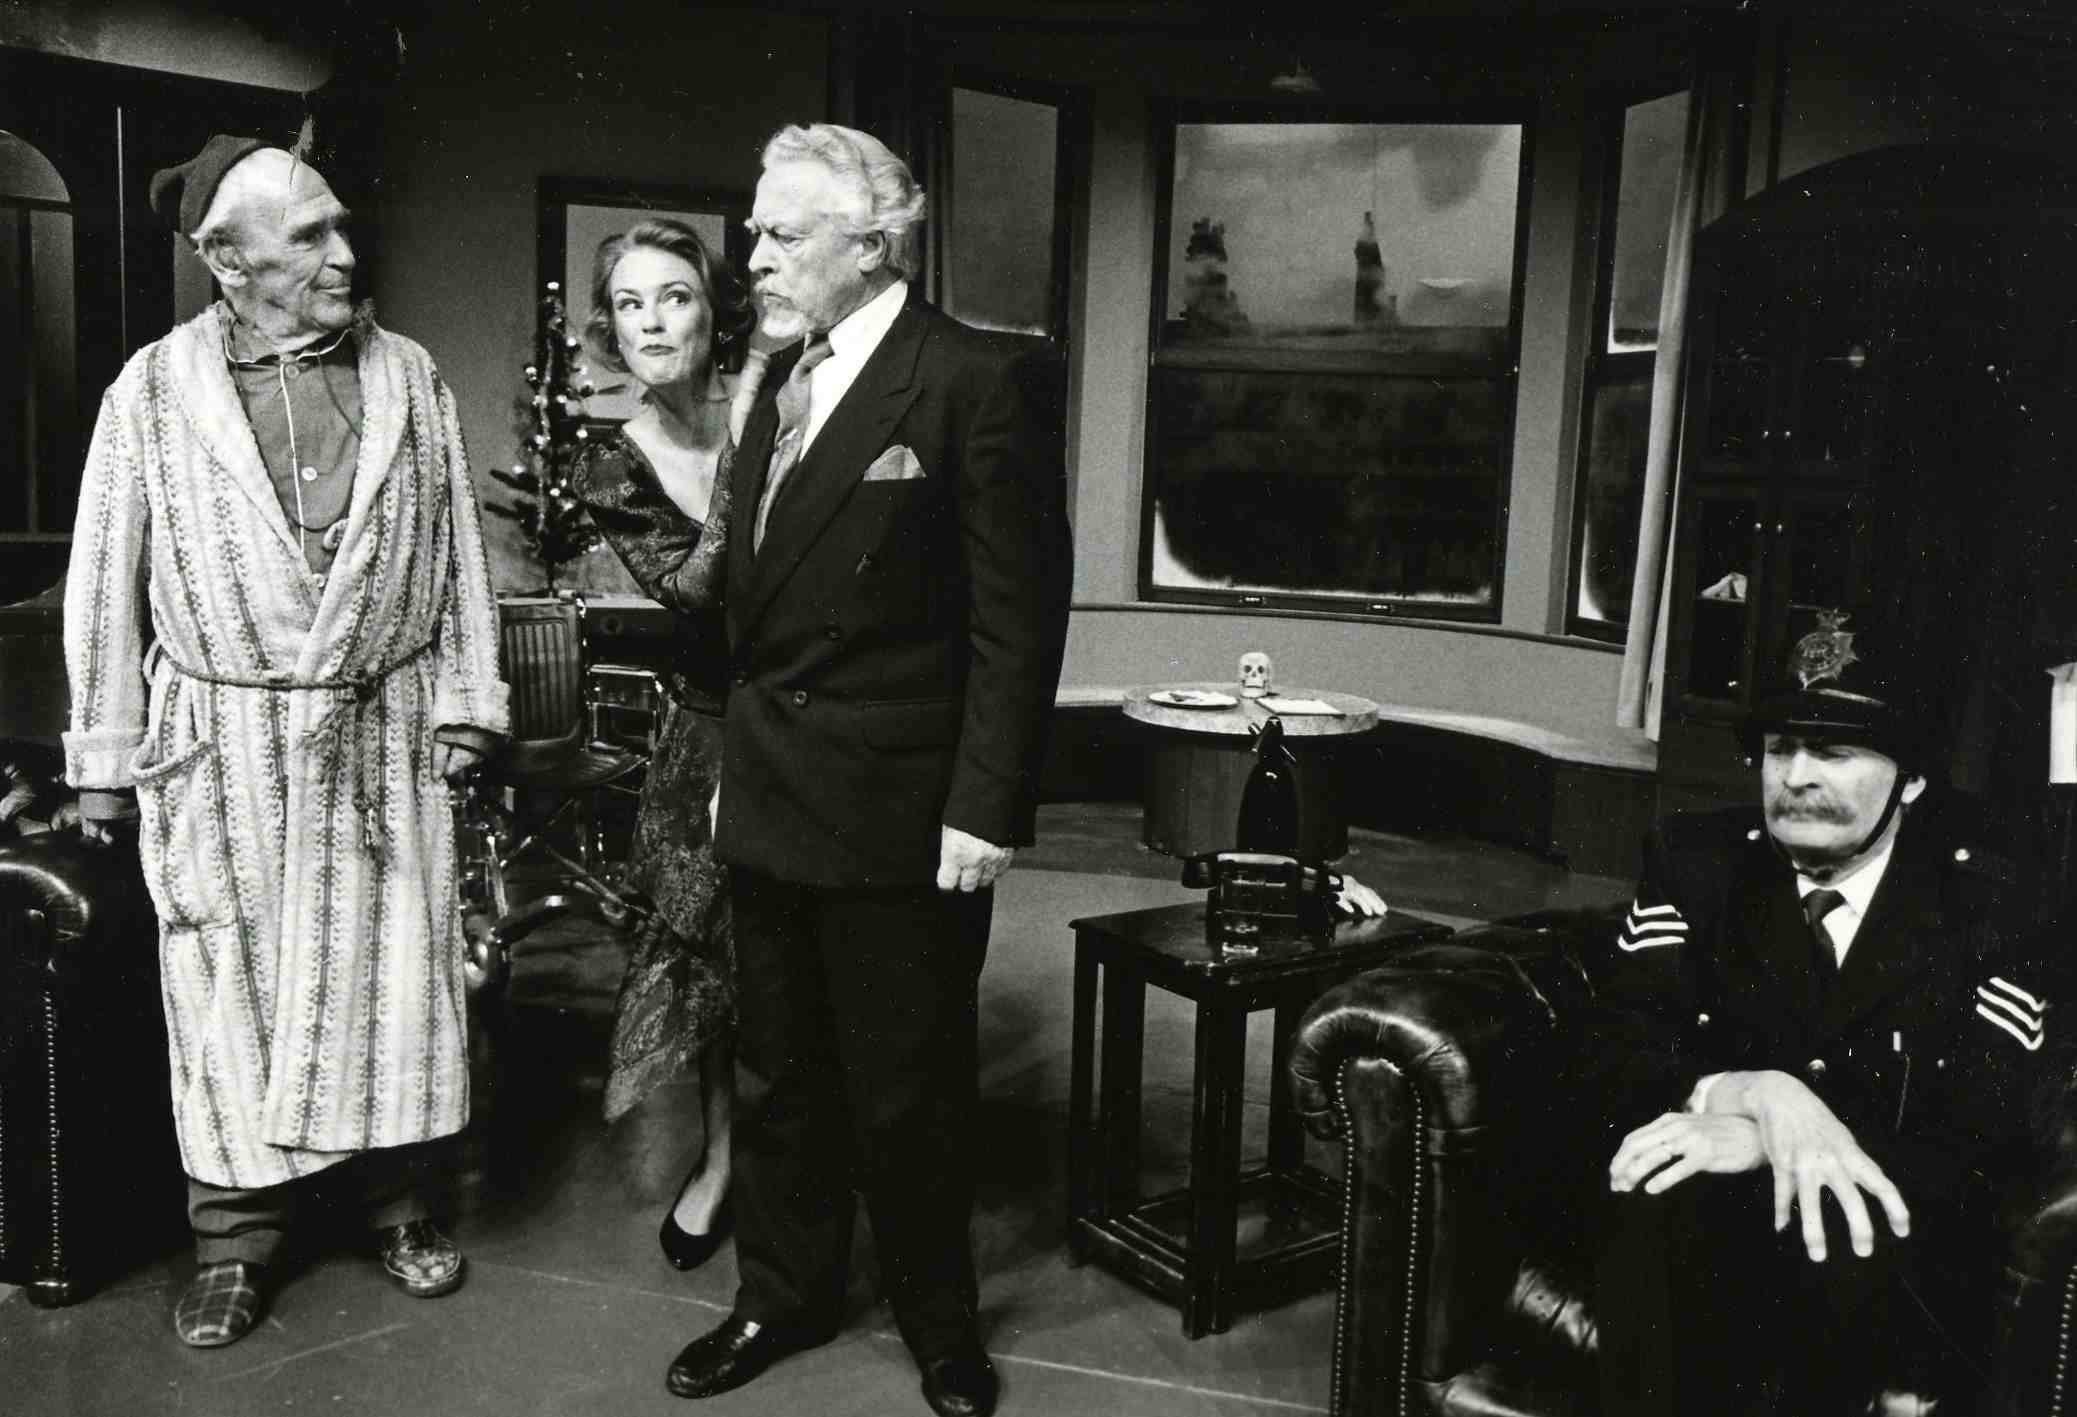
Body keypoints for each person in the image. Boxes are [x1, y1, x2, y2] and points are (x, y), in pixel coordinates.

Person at [60, 135, 507, 1348]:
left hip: (382, 732)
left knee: (394, 980)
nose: (344, 252)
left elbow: (459, 551)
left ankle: (397, 1203)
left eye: (340, 225)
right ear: (227, 258)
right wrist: (102, 761)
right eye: (309, 235)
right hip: (224, 741)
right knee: (226, 994)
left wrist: (470, 701)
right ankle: (233, 1238)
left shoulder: (409, 375)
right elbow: (103, 581)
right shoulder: (152, 391)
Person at [658, 123, 1072, 1417]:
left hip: (904, 809)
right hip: (770, 791)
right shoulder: (779, 383)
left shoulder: (973, 381)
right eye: (754, 232)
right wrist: (729, 764)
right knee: (778, 1074)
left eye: (783, 234)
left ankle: (940, 1325)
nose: (752, 257)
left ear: (875, 243)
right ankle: (780, 1295)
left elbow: (1017, 621)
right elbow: (751, 611)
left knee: (909, 1089)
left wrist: (985, 805)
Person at [1584, 611, 2058, 1414]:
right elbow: (1613, 1047)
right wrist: (1755, 1092)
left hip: (1887, 1239)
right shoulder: (1696, 863)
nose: (1794, 776)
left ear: (1910, 780)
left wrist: (1774, 1140)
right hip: (1710, 1227)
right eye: (1780, 748)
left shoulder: (1995, 903)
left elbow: (1989, 1124)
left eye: (1833, 752)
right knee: (1663, 1194)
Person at [570, 218, 769, 1269]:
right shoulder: (611, 462)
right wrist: (755, 443)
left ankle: (812, 1153)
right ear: (610, 330)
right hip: (707, 734)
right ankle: (723, 1157)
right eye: (629, 304)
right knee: (710, 969)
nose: (651, 322)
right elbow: (694, 586)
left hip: (817, 722)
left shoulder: (789, 403)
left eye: (675, 296)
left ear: (712, 309)